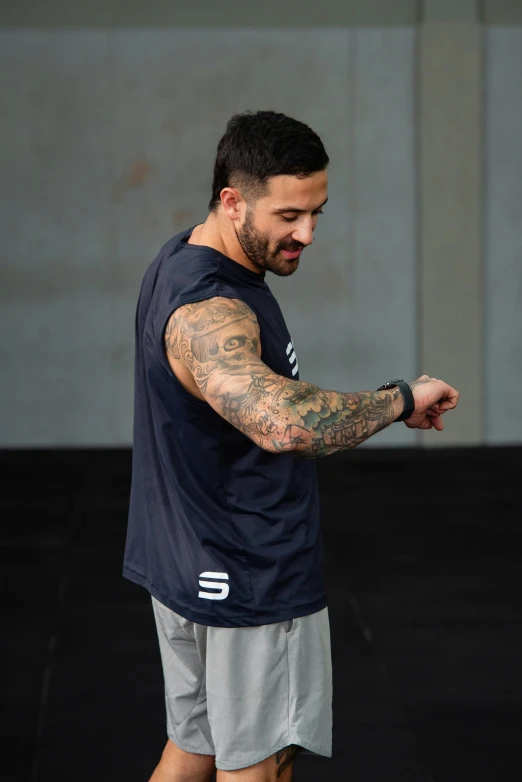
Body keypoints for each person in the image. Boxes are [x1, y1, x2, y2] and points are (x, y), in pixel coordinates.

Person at [122, 110, 460, 782]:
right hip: (248, 573)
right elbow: (286, 423)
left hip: (185, 560)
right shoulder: (211, 308)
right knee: (262, 767)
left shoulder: (179, 258)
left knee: (194, 750)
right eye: (287, 216)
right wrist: (400, 399)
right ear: (231, 200)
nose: (306, 233)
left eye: (317, 213)